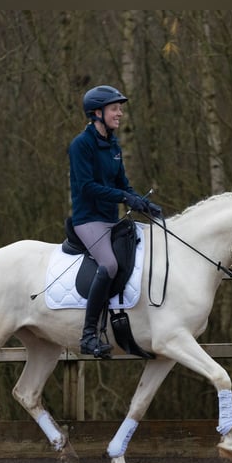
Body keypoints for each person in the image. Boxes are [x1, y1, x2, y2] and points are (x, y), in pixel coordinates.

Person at [68, 84, 160, 358]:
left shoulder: (113, 145)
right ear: (97, 113)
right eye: (115, 109)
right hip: (88, 220)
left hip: (111, 220)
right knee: (108, 264)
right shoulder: (80, 145)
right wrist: (123, 197)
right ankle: (88, 336)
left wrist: (140, 201)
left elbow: (123, 184)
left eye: (120, 108)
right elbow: (86, 187)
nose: (120, 113)